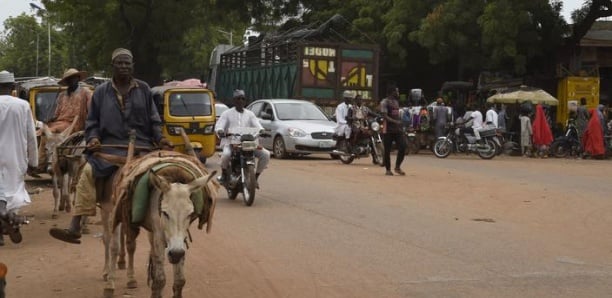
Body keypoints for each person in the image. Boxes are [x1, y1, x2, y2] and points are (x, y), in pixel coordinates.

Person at [49, 48, 172, 244]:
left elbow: (154, 120)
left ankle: (171, 224)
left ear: (133, 67)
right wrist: (93, 139)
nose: (124, 66)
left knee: (167, 178)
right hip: (108, 149)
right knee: (86, 172)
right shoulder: (100, 92)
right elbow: (92, 123)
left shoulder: (144, 89)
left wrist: (161, 138)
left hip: (142, 149)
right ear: (112, 67)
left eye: (127, 63)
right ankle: (76, 224)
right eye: (120, 63)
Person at [0, 70, 38, 246]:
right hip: (16, 156)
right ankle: (11, 217)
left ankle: (1, 229)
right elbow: (31, 136)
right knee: (13, 192)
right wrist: (34, 162)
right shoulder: (22, 105)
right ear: (13, 87)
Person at [33, 68, 92, 174]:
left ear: (78, 78)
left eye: (73, 78)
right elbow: (57, 113)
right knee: (43, 132)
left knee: (53, 129)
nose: (71, 81)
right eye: (68, 79)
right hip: (60, 122)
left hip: (76, 123)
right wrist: (51, 119)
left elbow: (91, 110)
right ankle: (41, 164)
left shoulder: (86, 93)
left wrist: (89, 124)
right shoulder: (62, 95)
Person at [216, 89, 270, 184]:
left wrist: (262, 130)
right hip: (231, 142)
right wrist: (220, 131)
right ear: (234, 100)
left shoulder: (250, 114)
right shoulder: (227, 113)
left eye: (242, 98)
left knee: (266, 154)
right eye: (238, 98)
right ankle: (224, 174)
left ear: (245, 101)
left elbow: (257, 125)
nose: (240, 101)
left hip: (247, 143)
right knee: (226, 155)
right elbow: (220, 125)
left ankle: (256, 177)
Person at [380, 84, 406, 176]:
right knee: (387, 150)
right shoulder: (384, 102)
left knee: (403, 147)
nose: (398, 93)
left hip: (397, 129)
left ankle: (397, 167)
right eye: (397, 91)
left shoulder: (396, 102)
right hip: (388, 130)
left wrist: (399, 123)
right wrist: (395, 121)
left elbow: (397, 114)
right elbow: (384, 116)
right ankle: (388, 169)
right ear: (392, 92)